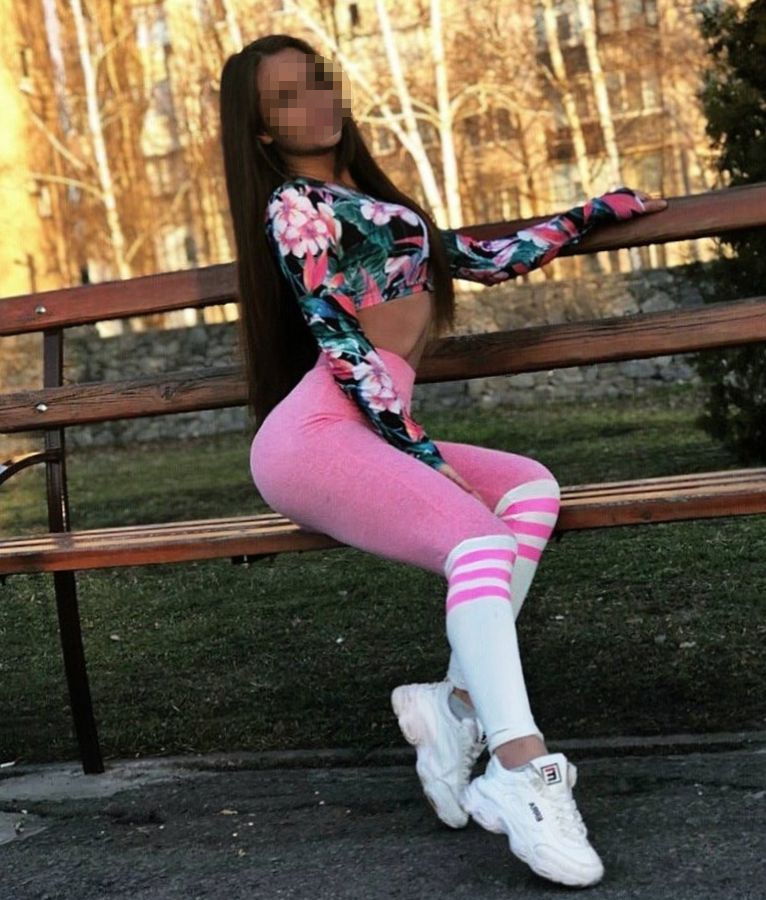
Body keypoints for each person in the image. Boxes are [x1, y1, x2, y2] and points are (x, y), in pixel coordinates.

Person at [219, 34, 668, 890]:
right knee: (479, 541)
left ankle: (453, 705)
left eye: (317, 81)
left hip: (360, 426)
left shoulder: (375, 203)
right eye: (286, 97)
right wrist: (417, 449)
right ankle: (521, 768)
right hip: (316, 434)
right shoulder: (295, 205)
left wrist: (594, 213)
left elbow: (489, 262)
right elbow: (338, 336)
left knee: (530, 488)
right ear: (264, 130)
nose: (316, 101)